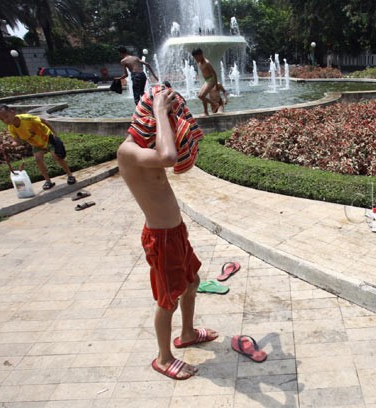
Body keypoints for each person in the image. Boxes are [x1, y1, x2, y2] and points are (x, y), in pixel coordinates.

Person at [117, 84, 214, 381]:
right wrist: (160, 108)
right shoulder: (129, 151)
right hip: (160, 238)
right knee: (167, 299)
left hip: (176, 232)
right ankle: (163, 358)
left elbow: (172, 156)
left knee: (192, 281)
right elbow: (169, 157)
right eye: (164, 117)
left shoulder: (147, 148)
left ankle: (185, 333)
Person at [0, 104, 76, 190]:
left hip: (47, 137)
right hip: (36, 144)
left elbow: (44, 121)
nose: (5, 120)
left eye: (6, 116)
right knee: (38, 159)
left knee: (56, 156)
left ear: (12, 112)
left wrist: (55, 135)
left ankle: (70, 175)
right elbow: (19, 142)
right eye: (2, 119)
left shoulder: (26, 118)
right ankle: (48, 181)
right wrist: (9, 145)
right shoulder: (11, 128)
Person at [191, 48, 219, 115]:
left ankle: (214, 104)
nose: (195, 59)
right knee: (202, 95)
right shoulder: (199, 62)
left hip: (211, 80)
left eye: (196, 57)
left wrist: (216, 85)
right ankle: (206, 112)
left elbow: (214, 73)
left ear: (200, 55)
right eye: (194, 58)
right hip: (207, 81)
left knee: (201, 96)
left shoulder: (207, 63)